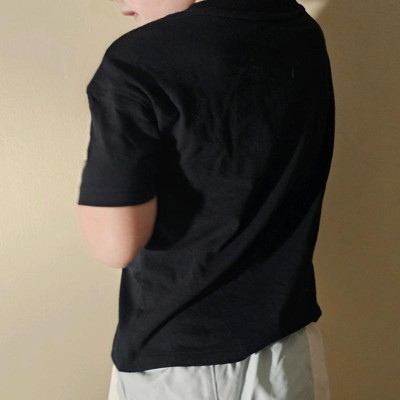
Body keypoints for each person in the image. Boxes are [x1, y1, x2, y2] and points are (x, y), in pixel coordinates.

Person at [76, 0, 335, 399]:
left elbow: (114, 245)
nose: (124, 7)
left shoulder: (137, 60)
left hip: (183, 365)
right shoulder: (299, 28)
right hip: (289, 345)